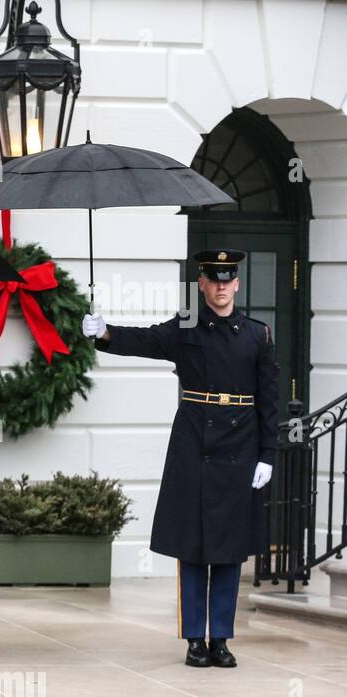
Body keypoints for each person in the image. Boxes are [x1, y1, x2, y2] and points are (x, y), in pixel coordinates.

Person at [83, 249, 277, 669]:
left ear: (237, 284)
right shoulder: (188, 327)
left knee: (228, 548)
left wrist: (267, 455)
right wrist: (104, 333)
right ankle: (195, 639)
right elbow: (146, 340)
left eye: (228, 279)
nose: (222, 286)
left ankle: (221, 638)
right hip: (194, 444)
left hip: (239, 446)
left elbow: (270, 402)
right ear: (203, 284)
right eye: (214, 279)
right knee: (191, 547)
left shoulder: (256, 335)